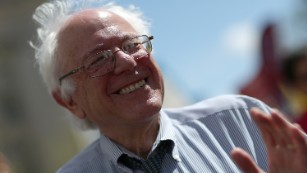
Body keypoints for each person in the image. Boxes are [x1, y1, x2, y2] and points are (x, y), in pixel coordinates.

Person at [31, 0, 307, 172]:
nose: (127, 62)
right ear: (70, 102)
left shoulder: (242, 120)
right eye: (99, 59)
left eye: (132, 45)